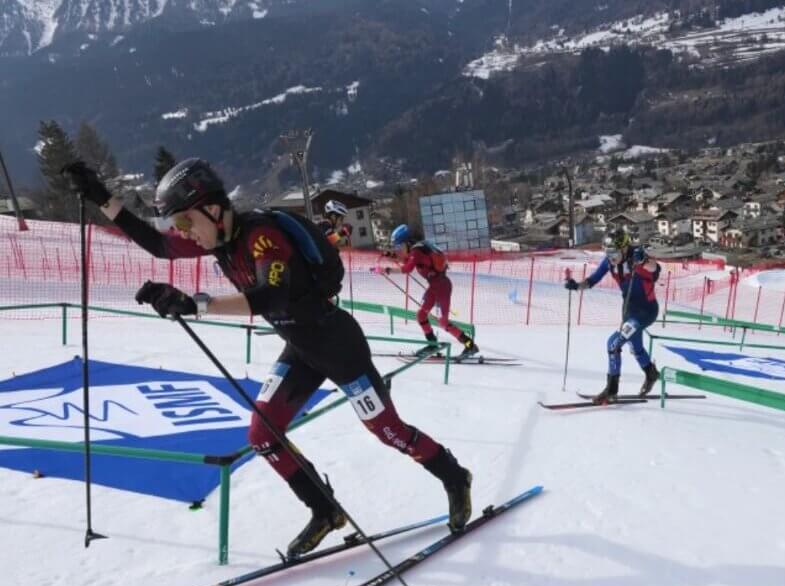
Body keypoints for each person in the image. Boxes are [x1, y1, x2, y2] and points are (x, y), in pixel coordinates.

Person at [62, 159, 472, 558]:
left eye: (186, 221)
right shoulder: (216, 238)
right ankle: (325, 510)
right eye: (178, 225)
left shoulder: (261, 237)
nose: (184, 232)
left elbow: (270, 295)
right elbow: (155, 243)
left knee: (388, 432)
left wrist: (195, 304)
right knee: (262, 435)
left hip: (338, 347)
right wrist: (101, 196)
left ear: (213, 208)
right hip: (301, 350)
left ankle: (455, 476)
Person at [564, 228, 661, 403]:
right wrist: (577, 286)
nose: (611, 256)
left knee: (613, 344)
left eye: (614, 252)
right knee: (636, 347)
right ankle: (651, 373)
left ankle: (612, 389)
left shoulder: (636, 258)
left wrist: (644, 260)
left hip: (645, 312)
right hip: (629, 312)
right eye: (607, 252)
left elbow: (655, 269)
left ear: (624, 248)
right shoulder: (610, 263)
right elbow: (593, 280)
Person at [382, 224, 479, 360]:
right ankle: (433, 344)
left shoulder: (416, 251)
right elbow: (406, 260)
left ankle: (470, 345)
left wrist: (388, 270)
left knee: (443, 322)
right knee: (421, 315)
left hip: (442, 288)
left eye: (399, 247)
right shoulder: (417, 250)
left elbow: (407, 268)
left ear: (408, 243)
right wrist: (389, 255)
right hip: (434, 287)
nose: (398, 250)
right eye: (396, 248)